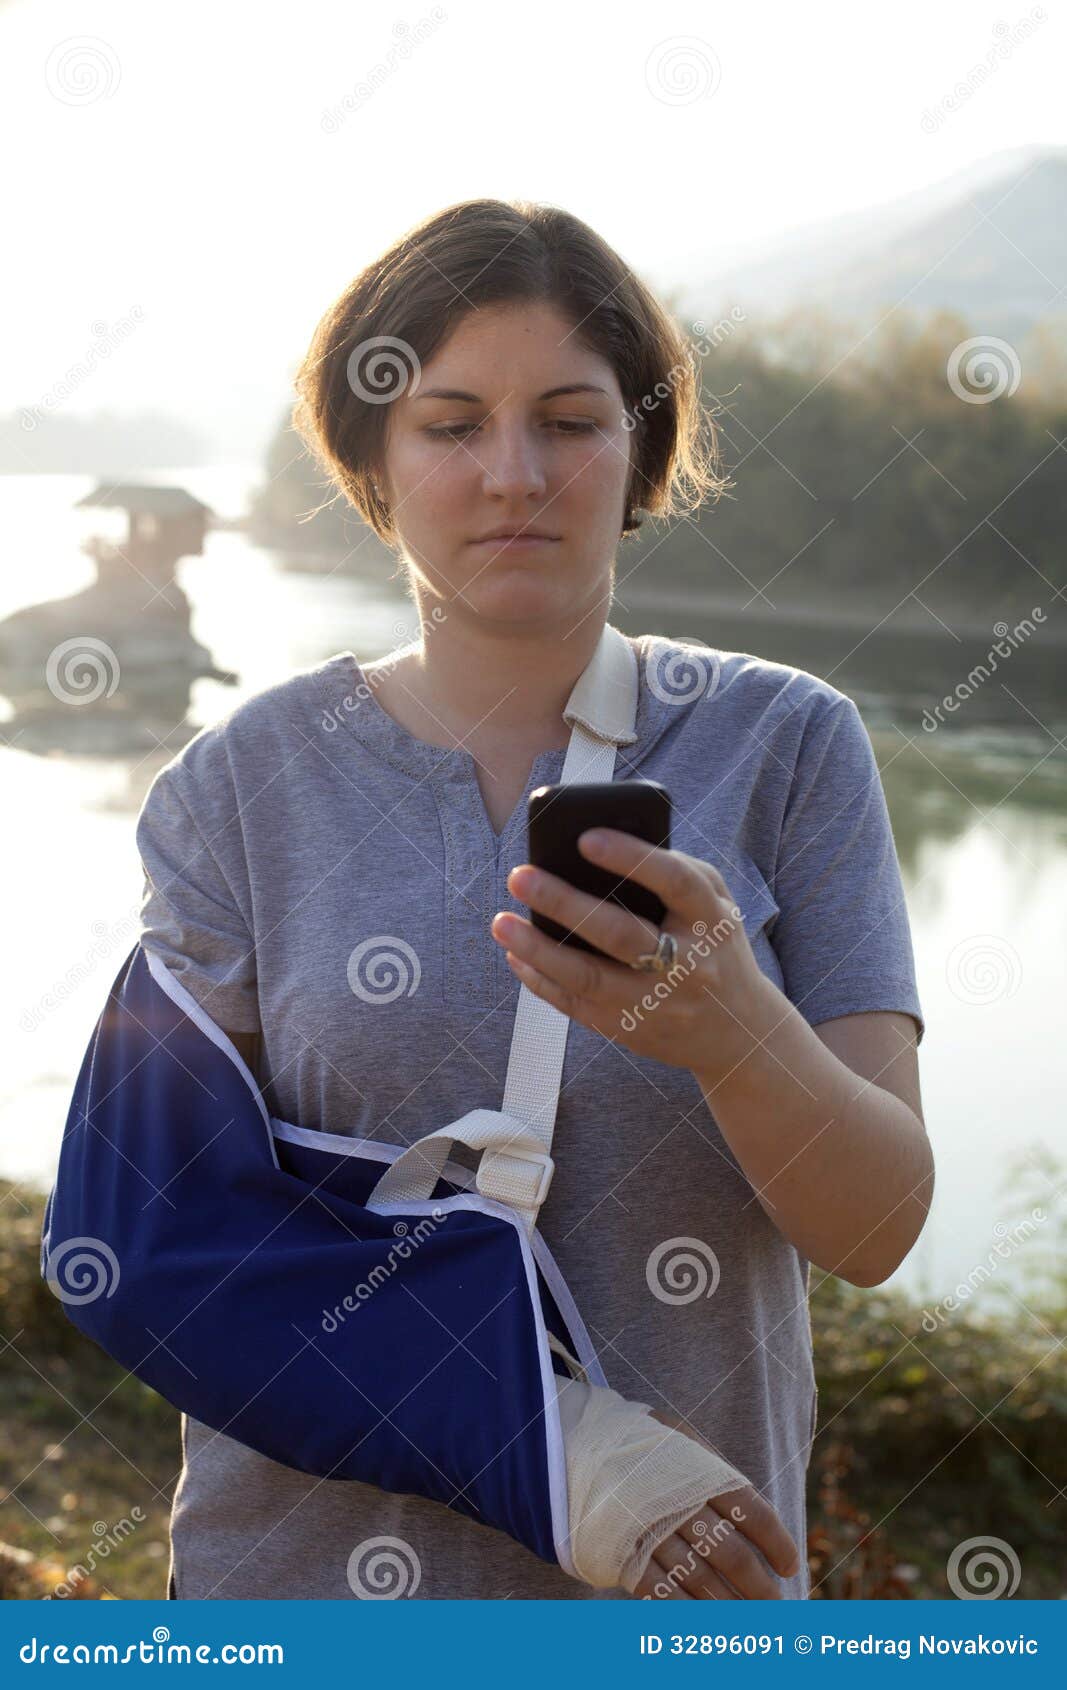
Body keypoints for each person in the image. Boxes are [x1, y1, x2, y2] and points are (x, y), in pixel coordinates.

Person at [136, 198, 932, 1600]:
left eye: (571, 420)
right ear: (374, 459)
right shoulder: (237, 787)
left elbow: (874, 1230)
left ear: (640, 453)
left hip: (683, 1609)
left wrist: (735, 1029)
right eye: (451, 423)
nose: (515, 473)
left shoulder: (788, 745)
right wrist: (568, 1447)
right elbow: (167, 1241)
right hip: (303, 1595)